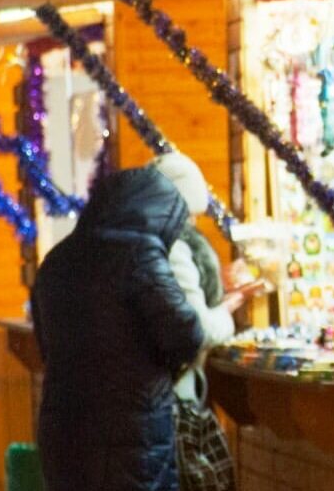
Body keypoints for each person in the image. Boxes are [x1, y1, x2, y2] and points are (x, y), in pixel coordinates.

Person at [32, 165, 204, 491]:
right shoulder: (140, 255)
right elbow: (187, 335)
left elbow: (45, 345)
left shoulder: (56, 260)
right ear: (159, 213)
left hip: (63, 431)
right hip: (130, 431)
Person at [152, 152, 263, 491]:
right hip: (176, 399)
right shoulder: (175, 248)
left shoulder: (150, 244)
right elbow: (197, 328)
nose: (195, 223)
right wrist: (230, 306)